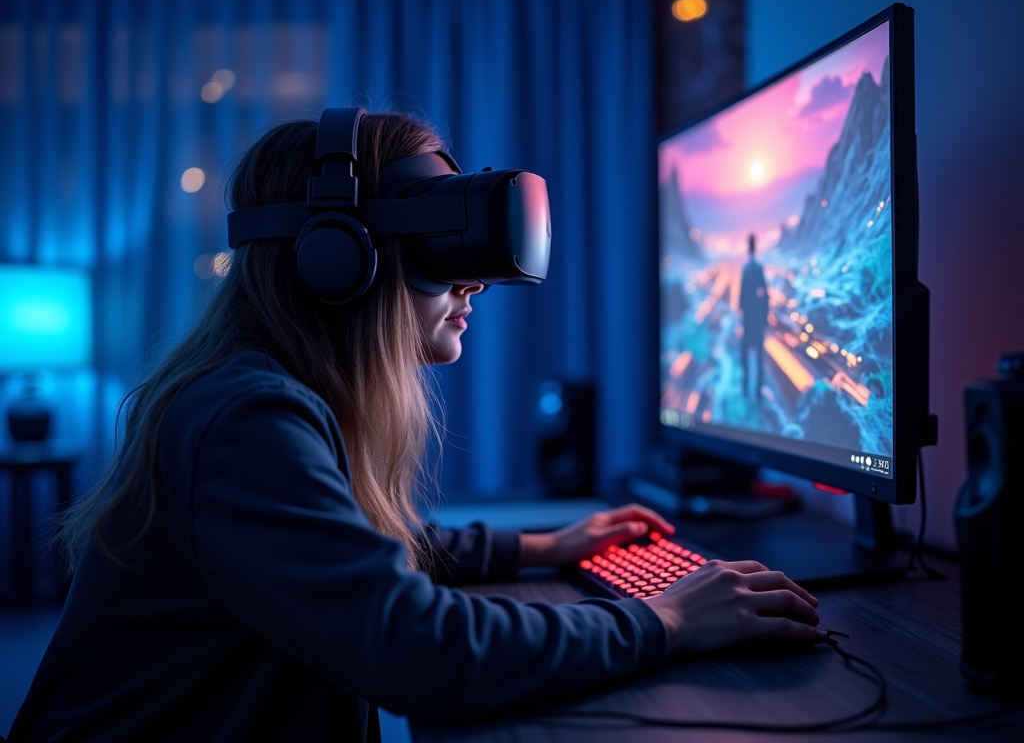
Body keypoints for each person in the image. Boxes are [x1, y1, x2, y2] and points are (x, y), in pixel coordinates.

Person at [9, 110, 821, 742]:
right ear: (338, 256)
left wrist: (540, 547)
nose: (473, 282)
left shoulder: (258, 396)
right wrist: (666, 618)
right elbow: (413, 648)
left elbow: (348, 554)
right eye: (439, 246)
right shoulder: (246, 421)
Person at [739, 232, 770, 400]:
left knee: (746, 356)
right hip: (757, 318)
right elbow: (765, 294)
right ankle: (757, 393)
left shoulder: (746, 269)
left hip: (749, 319)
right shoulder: (757, 268)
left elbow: (741, 298)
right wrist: (764, 316)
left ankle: (745, 390)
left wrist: (743, 315)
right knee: (758, 358)